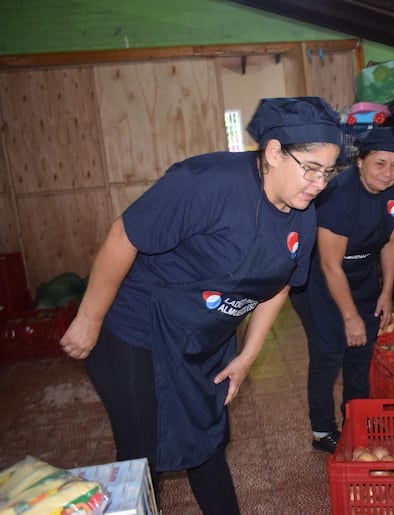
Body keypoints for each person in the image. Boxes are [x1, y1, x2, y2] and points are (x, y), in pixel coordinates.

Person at [59, 96, 343, 514]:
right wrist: (88, 318)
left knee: (205, 440)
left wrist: (247, 356)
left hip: (201, 338)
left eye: (329, 172)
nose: (320, 183)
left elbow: (280, 285)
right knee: (144, 455)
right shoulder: (204, 183)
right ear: (274, 152)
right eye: (312, 168)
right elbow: (123, 236)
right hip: (137, 331)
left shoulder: (303, 214)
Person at [290, 126, 394, 454]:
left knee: (361, 352)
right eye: (380, 164)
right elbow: (330, 265)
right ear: (360, 161)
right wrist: (350, 316)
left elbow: (391, 241)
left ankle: (357, 417)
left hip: (360, 278)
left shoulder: (390, 194)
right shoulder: (339, 196)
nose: (388, 173)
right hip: (318, 282)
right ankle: (322, 429)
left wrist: (386, 292)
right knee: (329, 353)